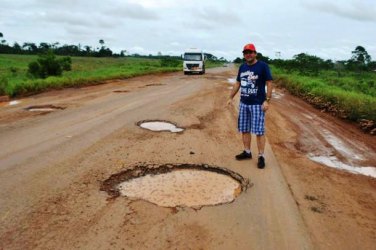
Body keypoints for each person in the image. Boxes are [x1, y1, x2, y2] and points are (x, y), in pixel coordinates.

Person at [227, 43, 273, 169]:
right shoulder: (242, 67)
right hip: (244, 103)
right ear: (244, 55)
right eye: (246, 53)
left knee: (259, 131)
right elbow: (238, 83)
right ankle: (247, 152)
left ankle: (261, 156)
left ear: (255, 53)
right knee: (245, 129)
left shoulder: (262, 66)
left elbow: (269, 83)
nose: (248, 54)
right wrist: (231, 97)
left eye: (250, 52)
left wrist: (267, 100)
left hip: (258, 104)